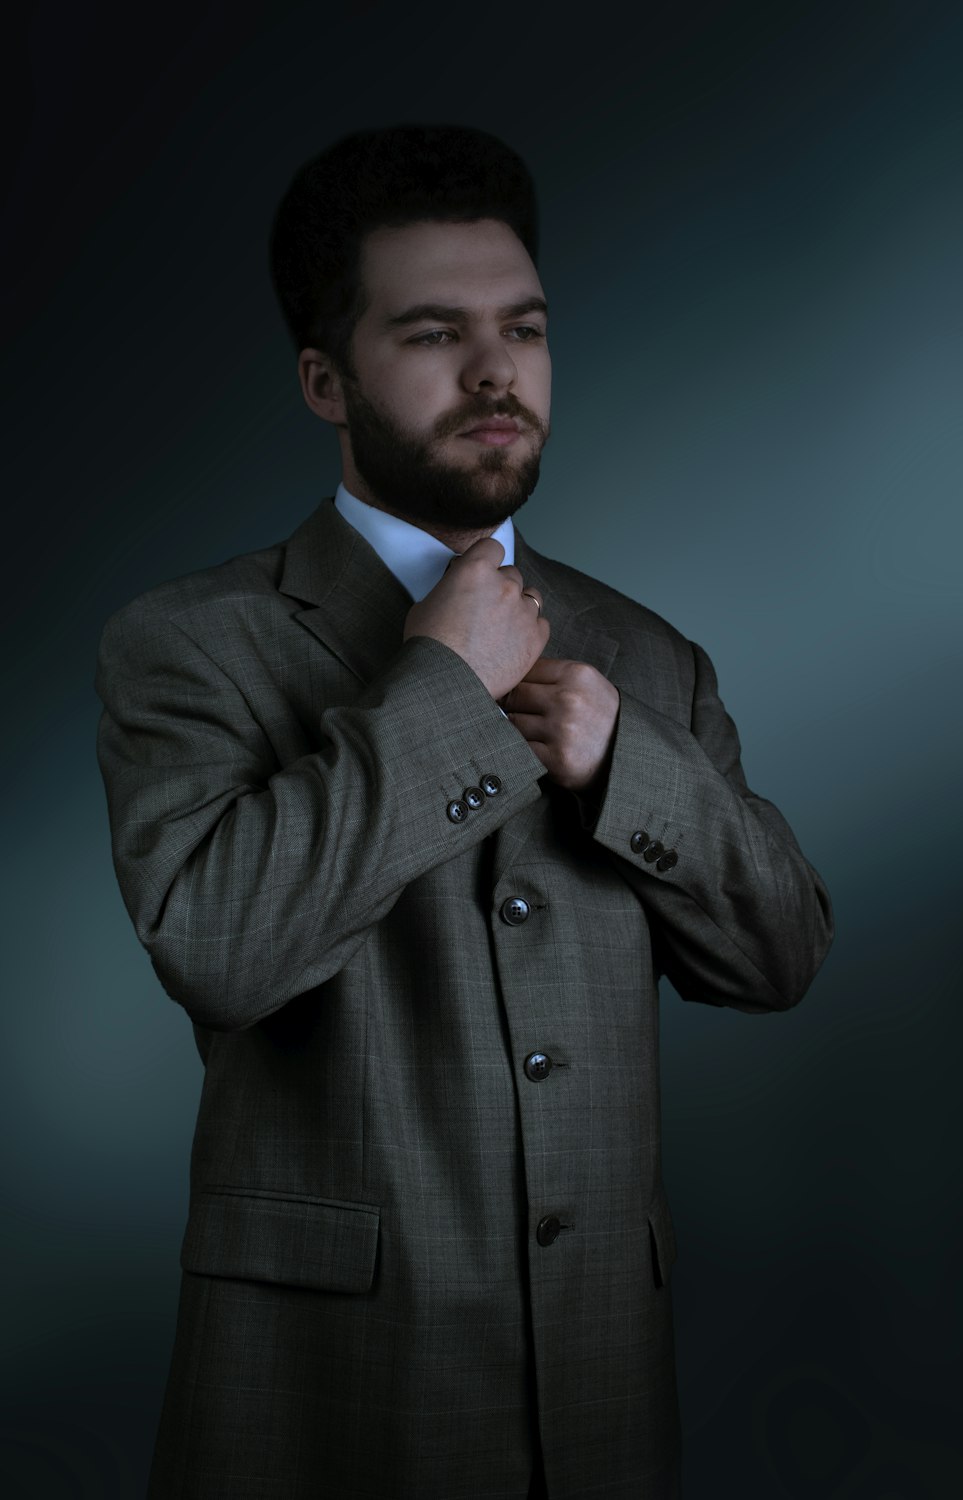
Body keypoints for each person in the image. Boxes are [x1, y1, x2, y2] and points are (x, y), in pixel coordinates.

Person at [95, 123, 833, 1500]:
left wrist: (633, 766)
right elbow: (219, 948)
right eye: (435, 335)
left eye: (526, 330)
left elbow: (783, 956)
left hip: (605, 1395)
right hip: (321, 1401)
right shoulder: (186, 643)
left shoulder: (644, 651)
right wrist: (438, 684)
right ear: (327, 379)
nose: (498, 374)